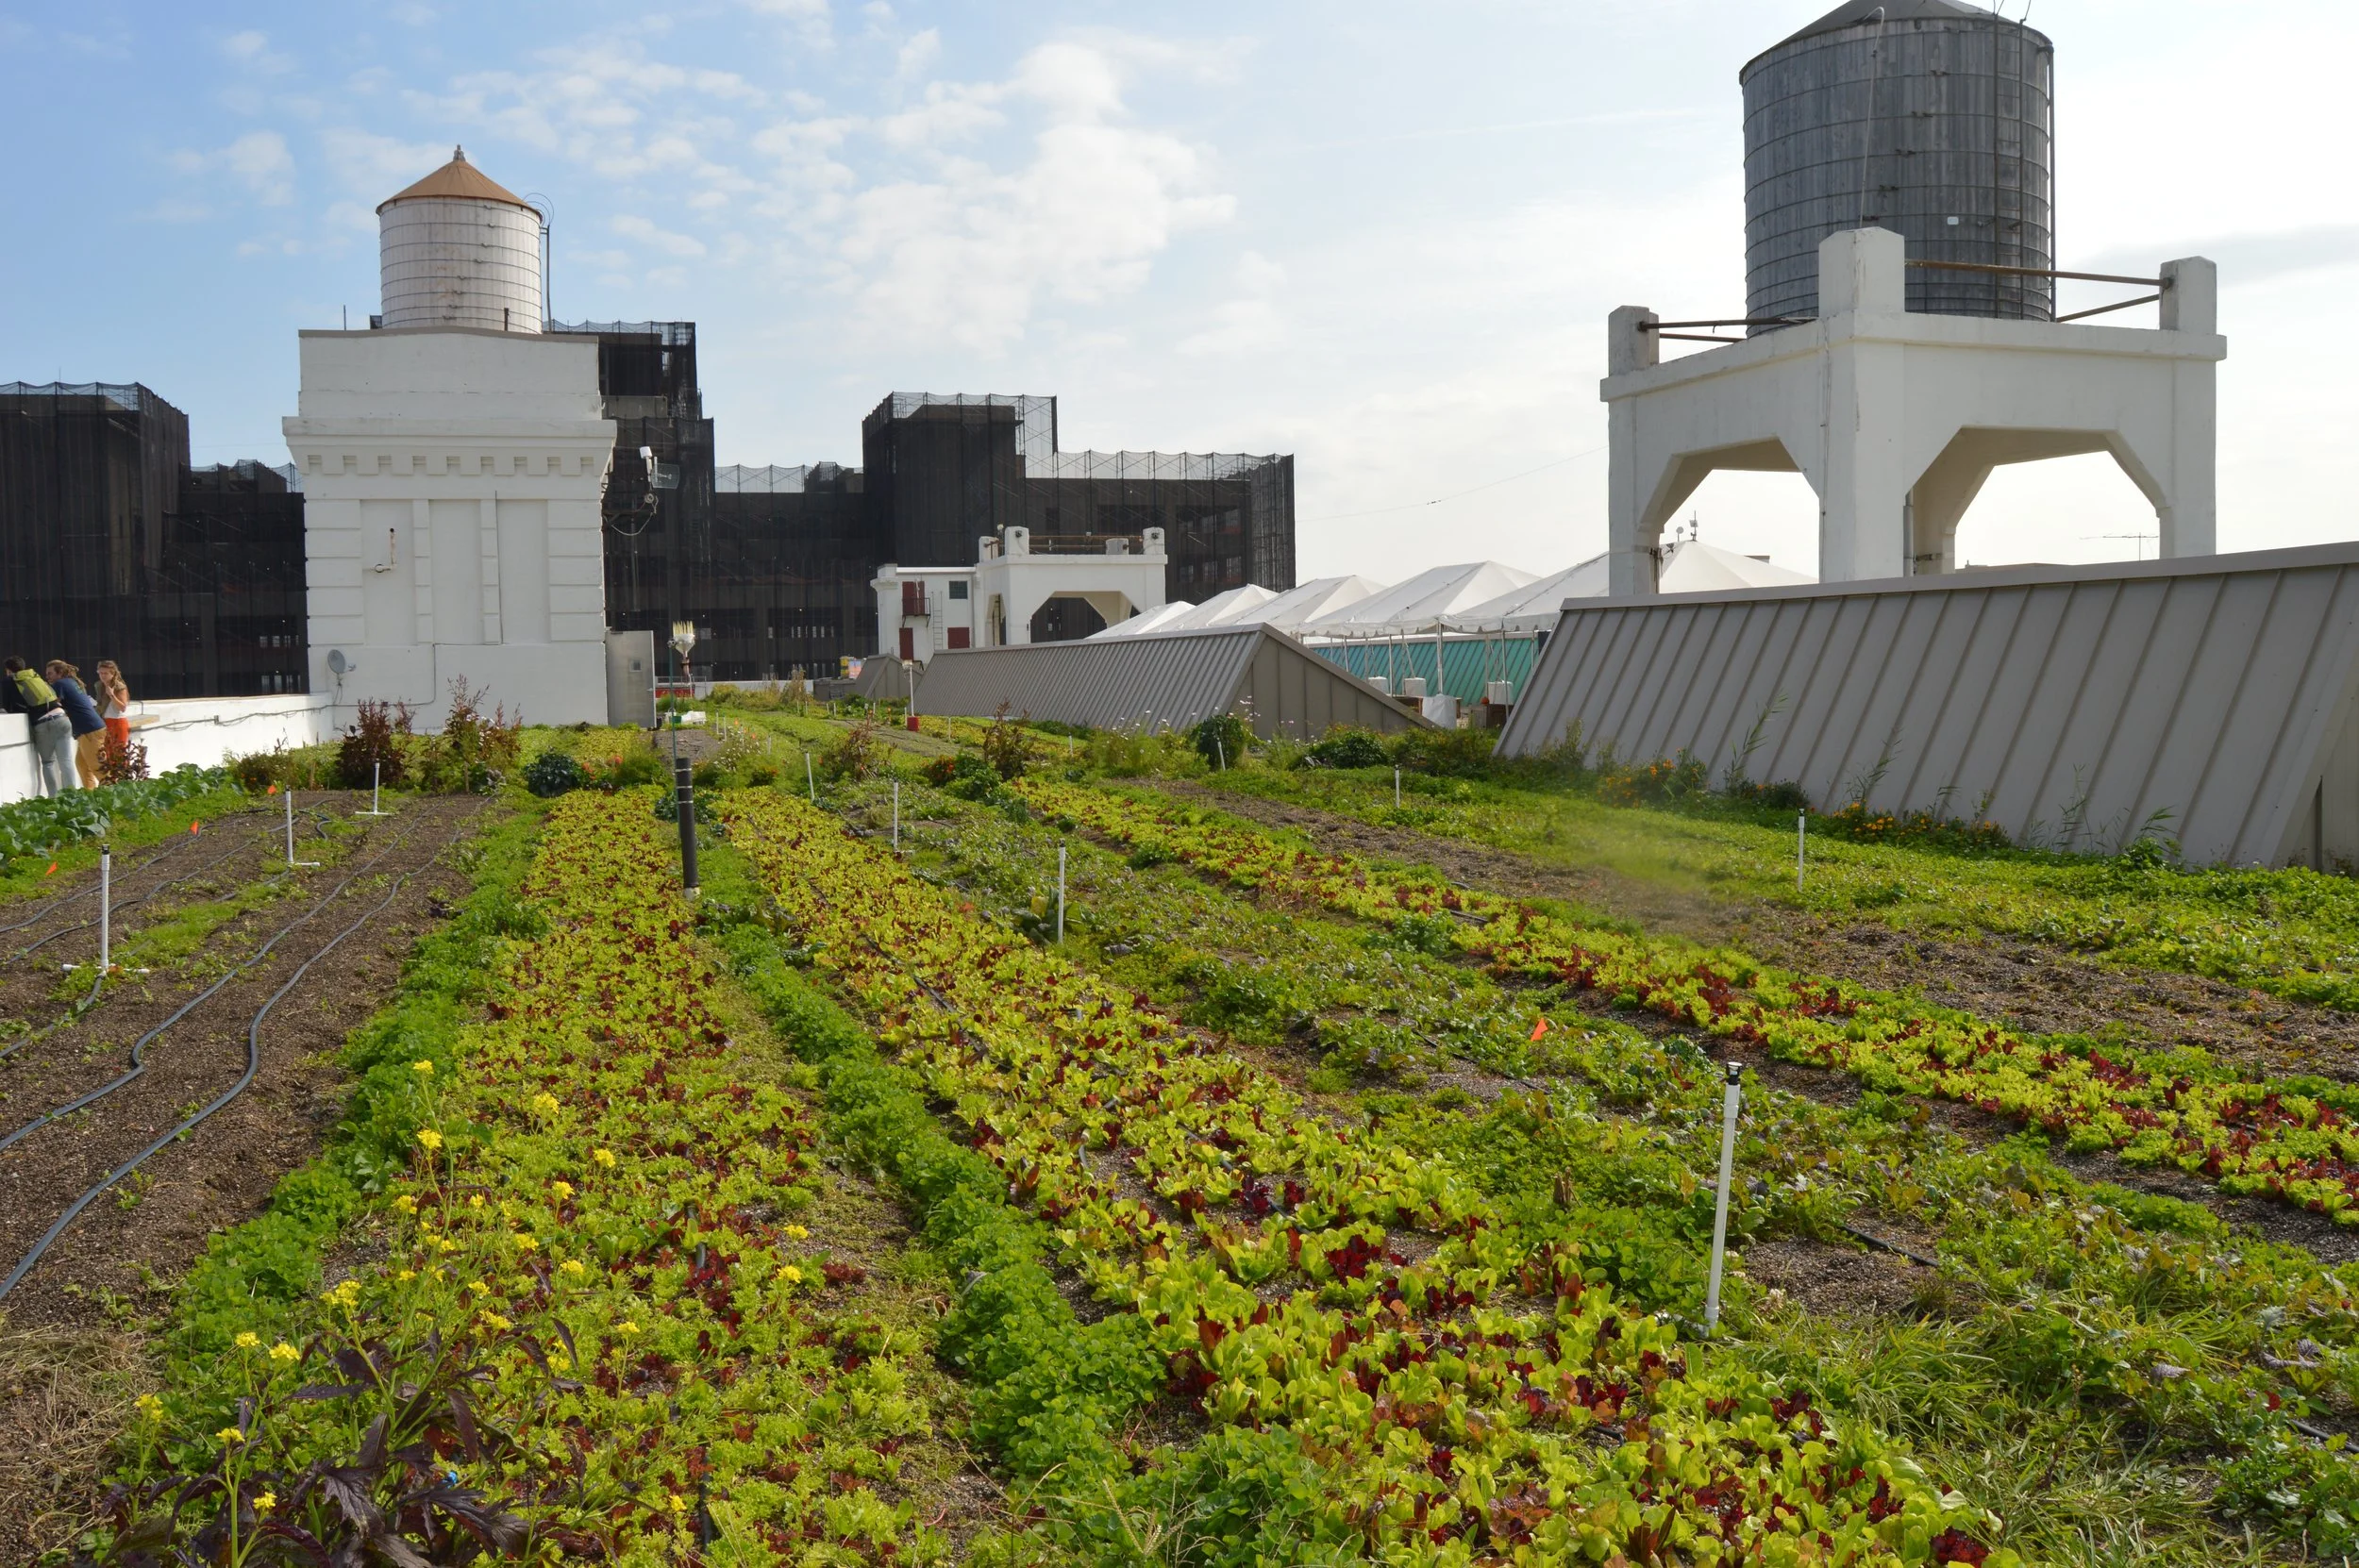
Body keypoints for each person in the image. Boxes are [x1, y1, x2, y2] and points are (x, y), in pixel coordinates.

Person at [4, 657, 75, 795]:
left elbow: (8, 705)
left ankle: (54, 798)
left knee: (48, 762)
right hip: (62, 717)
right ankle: (73, 796)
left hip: (44, 723)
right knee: (66, 760)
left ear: (8, 670)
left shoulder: (10, 680)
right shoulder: (34, 676)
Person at [45, 660, 106, 790]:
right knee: (83, 766)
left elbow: (53, 704)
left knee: (98, 768)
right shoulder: (72, 682)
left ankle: (114, 795)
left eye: (50, 673)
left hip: (89, 730)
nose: (47, 677)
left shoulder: (59, 684)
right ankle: (91, 794)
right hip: (92, 728)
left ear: (59, 673)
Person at [95, 659, 131, 759]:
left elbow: (123, 707)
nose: (103, 676)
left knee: (119, 755)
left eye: (106, 673)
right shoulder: (99, 685)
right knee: (107, 755)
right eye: (100, 673)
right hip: (104, 722)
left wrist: (112, 695)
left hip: (117, 722)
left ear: (112, 673)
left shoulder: (119, 686)